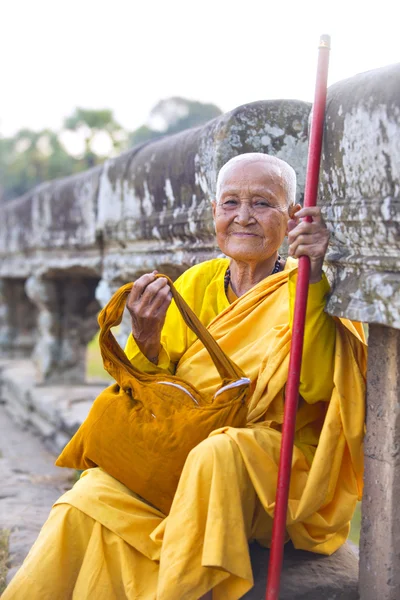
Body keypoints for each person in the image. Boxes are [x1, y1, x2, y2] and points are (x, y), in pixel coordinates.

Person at [3, 153, 366, 600]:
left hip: (275, 455)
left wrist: (312, 285)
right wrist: (147, 337)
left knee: (219, 452)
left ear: (293, 217)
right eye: (230, 203)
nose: (244, 217)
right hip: (183, 443)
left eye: (263, 203)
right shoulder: (196, 283)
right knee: (91, 492)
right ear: (214, 212)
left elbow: (312, 387)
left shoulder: (307, 283)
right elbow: (151, 389)